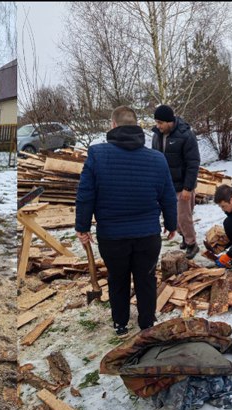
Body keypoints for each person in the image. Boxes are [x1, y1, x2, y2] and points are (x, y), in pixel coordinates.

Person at [75, 106, 178, 337]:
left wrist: (82, 226)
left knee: (118, 278)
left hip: (112, 236)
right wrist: (171, 224)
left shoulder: (97, 155)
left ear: (113, 126)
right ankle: (147, 323)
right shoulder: (157, 159)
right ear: (137, 126)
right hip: (147, 235)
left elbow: (85, 194)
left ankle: (120, 323)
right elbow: (168, 196)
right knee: (146, 279)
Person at [151, 104, 201, 259]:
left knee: (183, 217)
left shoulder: (186, 135)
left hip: (182, 185)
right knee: (172, 217)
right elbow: (155, 159)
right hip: (166, 186)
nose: (157, 126)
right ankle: (185, 237)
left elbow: (193, 163)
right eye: (156, 122)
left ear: (169, 121)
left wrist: (188, 187)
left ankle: (192, 244)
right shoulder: (157, 136)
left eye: (160, 123)